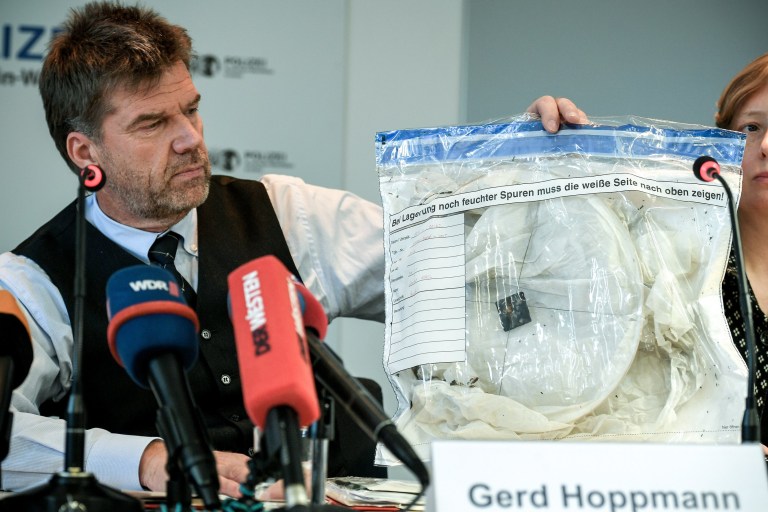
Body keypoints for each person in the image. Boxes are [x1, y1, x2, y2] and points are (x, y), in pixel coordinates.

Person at [0, 0, 569, 496]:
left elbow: (470, 275)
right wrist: (145, 460)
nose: (189, 138)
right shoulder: (35, 280)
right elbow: (5, 435)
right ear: (84, 152)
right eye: (152, 124)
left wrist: (526, 176)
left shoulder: (284, 211)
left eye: (191, 109)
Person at [526, 51, 768, 451]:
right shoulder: (669, 260)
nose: (766, 146)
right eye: (752, 127)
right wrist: (534, 154)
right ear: (720, 143)